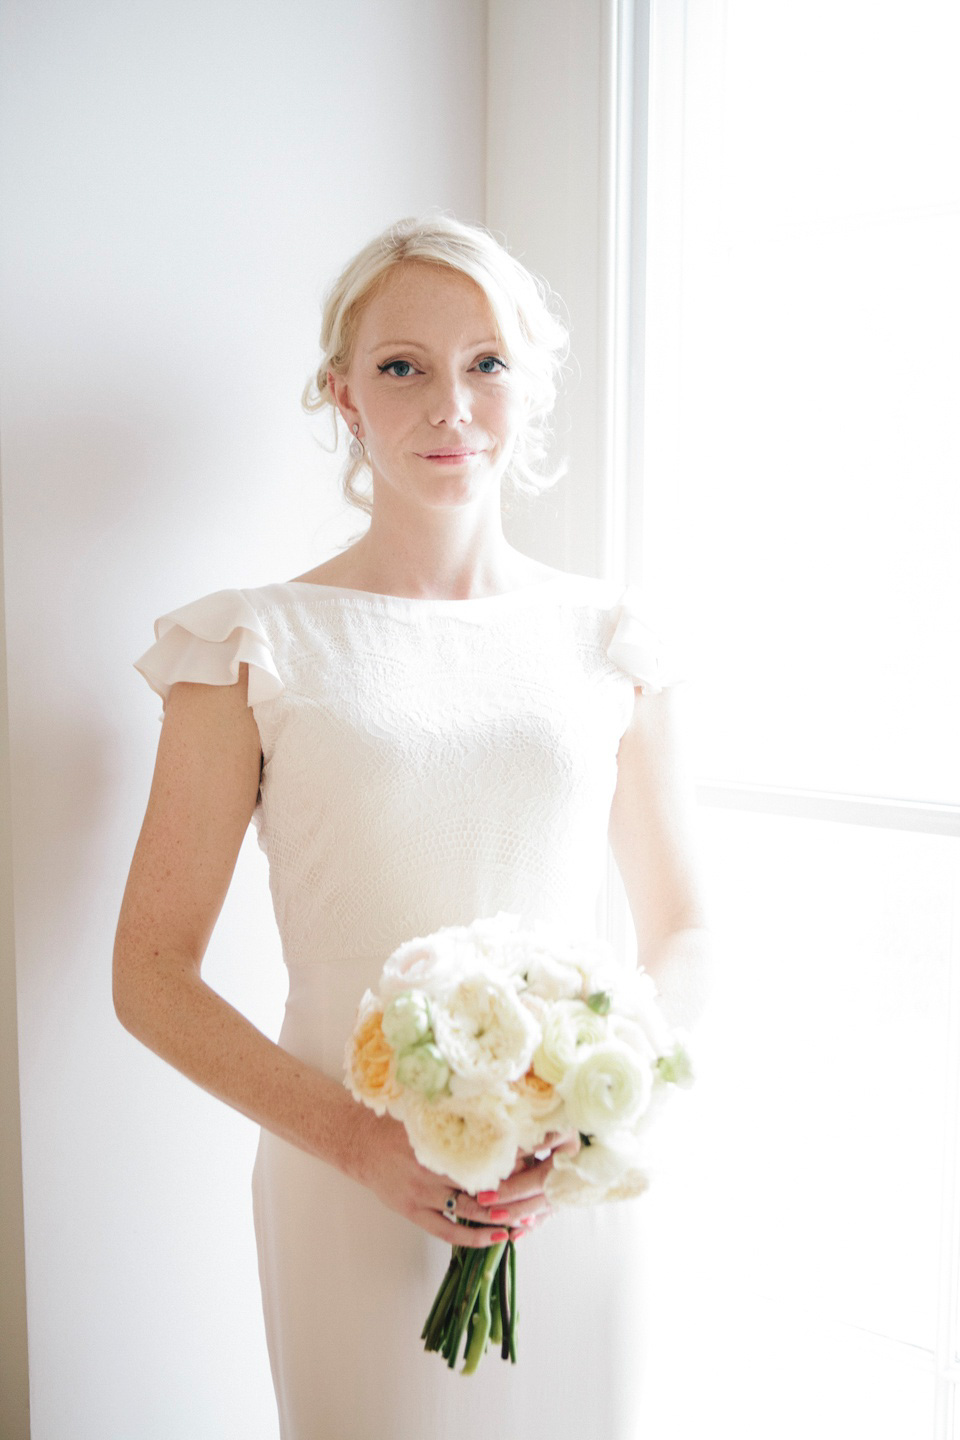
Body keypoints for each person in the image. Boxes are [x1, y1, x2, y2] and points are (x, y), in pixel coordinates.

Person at [115, 212, 712, 1439]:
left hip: (572, 1190)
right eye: (404, 366)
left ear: (531, 385)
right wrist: (358, 1145)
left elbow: (687, 928)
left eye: (487, 363)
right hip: (350, 1181)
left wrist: (595, 1111)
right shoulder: (245, 645)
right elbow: (148, 974)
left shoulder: (613, 640)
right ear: (344, 394)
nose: (451, 403)